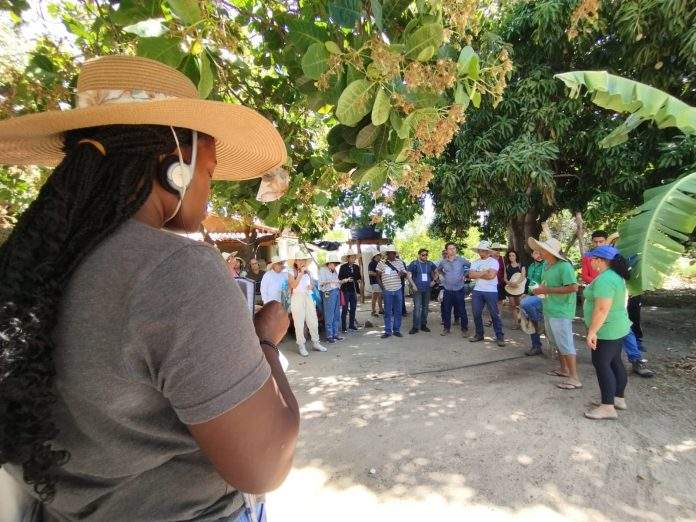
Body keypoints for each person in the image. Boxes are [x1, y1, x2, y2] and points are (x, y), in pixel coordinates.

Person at [0, 55, 298, 520]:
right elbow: (265, 465)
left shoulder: (34, 260)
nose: (209, 187)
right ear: (174, 163)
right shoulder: (176, 270)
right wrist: (265, 342)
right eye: (210, 170)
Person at [586, 231, 655, 377]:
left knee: (624, 328)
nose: (598, 244)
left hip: (616, 301)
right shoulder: (595, 258)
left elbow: (628, 276)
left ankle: (635, 359)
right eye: (595, 242)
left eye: (601, 241)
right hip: (601, 296)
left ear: (606, 242)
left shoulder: (617, 259)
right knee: (616, 336)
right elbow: (587, 274)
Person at [582, 245, 632, 420]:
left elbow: (602, 309)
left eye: (593, 258)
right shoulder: (613, 276)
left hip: (607, 329)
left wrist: (592, 332)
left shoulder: (605, 279)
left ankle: (607, 407)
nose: (591, 261)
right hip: (617, 327)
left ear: (601, 260)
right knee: (615, 362)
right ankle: (618, 398)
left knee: (602, 364)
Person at [528, 236, 581, 390]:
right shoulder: (546, 265)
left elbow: (573, 287)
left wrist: (547, 290)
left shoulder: (564, 266)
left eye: (542, 249)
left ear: (550, 251)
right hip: (550, 307)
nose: (539, 252)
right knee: (557, 342)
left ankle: (574, 378)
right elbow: (547, 285)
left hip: (561, 310)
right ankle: (564, 370)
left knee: (565, 343)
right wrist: (540, 290)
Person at [288, 250, 327, 356]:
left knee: (313, 320)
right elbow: (294, 285)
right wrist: (301, 273)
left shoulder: (308, 272)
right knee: (299, 323)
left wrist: (312, 286)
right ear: (295, 261)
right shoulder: (291, 272)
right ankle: (301, 345)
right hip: (297, 297)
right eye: (299, 259)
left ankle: (316, 342)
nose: (301, 261)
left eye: (303, 259)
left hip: (308, 296)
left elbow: (313, 283)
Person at [469, 241, 506, 346]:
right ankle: (479, 334)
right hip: (477, 290)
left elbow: (491, 276)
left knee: (494, 314)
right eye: (480, 250)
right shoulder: (475, 262)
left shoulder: (494, 262)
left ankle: (499, 336)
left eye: (484, 250)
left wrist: (478, 274)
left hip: (491, 291)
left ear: (488, 251)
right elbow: (471, 275)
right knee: (476, 313)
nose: (482, 252)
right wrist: (485, 272)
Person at [437, 242, 470, 336]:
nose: (452, 250)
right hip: (447, 290)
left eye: (454, 248)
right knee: (447, 310)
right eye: (450, 249)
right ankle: (446, 328)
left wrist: (465, 275)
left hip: (459, 289)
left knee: (462, 310)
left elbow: (471, 267)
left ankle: (464, 329)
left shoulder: (461, 260)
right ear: (446, 251)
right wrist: (444, 275)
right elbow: (439, 270)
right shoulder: (443, 262)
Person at [376, 245, 408, 338]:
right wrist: (383, 287)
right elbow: (377, 276)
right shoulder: (381, 263)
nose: (392, 255)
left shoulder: (400, 262)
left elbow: (405, 274)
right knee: (388, 312)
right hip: (387, 290)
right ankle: (388, 331)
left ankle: (397, 330)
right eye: (390, 253)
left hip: (398, 289)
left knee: (398, 311)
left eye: (394, 253)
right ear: (387, 254)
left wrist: (402, 273)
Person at [521, 249, 546, 356]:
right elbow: (530, 282)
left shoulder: (547, 265)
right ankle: (536, 346)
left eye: (540, 252)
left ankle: (538, 320)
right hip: (533, 295)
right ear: (532, 255)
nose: (539, 255)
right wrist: (526, 293)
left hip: (544, 295)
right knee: (530, 318)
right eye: (536, 253)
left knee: (526, 304)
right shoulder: (531, 266)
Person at [407, 248, 438, 334]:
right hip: (417, 289)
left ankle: (423, 325)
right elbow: (408, 275)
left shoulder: (430, 263)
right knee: (417, 308)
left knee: (425, 308)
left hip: (427, 289)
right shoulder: (414, 264)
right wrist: (413, 285)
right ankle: (415, 327)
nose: (425, 256)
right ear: (419, 255)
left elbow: (437, 272)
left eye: (426, 255)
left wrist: (434, 281)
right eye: (423, 255)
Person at [319, 252, 344, 344]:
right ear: (329, 263)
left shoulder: (335, 271)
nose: (335, 265)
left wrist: (340, 282)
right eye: (334, 263)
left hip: (336, 291)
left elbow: (336, 282)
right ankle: (329, 335)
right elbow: (321, 283)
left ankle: (335, 333)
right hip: (328, 292)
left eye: (336, 264)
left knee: (336, 313)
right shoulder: (323, 270)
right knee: (329, 314)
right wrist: (330, 281)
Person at [338, 250, 361, 332]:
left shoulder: (356, 267)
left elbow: (359, 277)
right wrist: (347, 280)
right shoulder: (343, 267)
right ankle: (344, 327)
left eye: (354, 257)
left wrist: (358, 280)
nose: (353, 258)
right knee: (345, 308)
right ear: (348, 258)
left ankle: (351, 325)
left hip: (354, 290)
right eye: (352, 257)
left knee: (353, 308)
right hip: (345, 290)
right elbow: (340, 278)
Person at [504, 249, 526, 328]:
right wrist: (509, 283)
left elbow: (523, 276)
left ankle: (523, 322)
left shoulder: (521, 265)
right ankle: (516, 323)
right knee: (512, 305)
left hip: (519, 288)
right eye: (509, 255)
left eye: (513, 255)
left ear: (516, 256)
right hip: (510, 288)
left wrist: (516, 283)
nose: (511, 257)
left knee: (521, 305)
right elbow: (505, 278)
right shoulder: (507, 266)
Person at [368, 252, 384, 317]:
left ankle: (381, 309)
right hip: (374, 282)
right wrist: (379, 274)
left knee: (380, 296)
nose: (379, 256)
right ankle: (373, 311)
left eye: (380, 255)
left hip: (379, 282)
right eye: (378, 255)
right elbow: (370, 272)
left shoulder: (380, 263)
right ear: (375, 256)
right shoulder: (371, 263)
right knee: (375, 296)